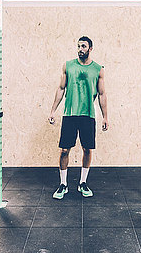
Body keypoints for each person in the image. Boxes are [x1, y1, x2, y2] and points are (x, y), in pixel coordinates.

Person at [48, 36, 108, 199]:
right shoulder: (68, 66)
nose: (80, 49)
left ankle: (83, 183)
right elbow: (61, 88)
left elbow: (102, 94)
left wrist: (105, 117)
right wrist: (53, 110)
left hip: (88, 114)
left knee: (87, 149)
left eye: (84, 46)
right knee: (64, 150)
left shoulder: (98, 69)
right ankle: (63, 185)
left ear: (90, 49)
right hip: (70, 114)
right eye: (79, 46)